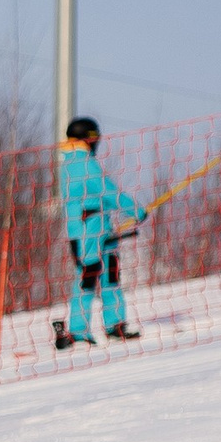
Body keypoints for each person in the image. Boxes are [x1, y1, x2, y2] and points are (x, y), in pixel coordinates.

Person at [54, 115, 147, 349]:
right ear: (88, 139)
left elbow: (100, 195)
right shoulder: (84, 164)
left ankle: (114, 324)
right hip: (86, 231)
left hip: (101, 228)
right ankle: (78, 331)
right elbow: (108, 192)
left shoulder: (72, 163)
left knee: (110, 275)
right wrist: (136, 211)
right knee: (87, 278)